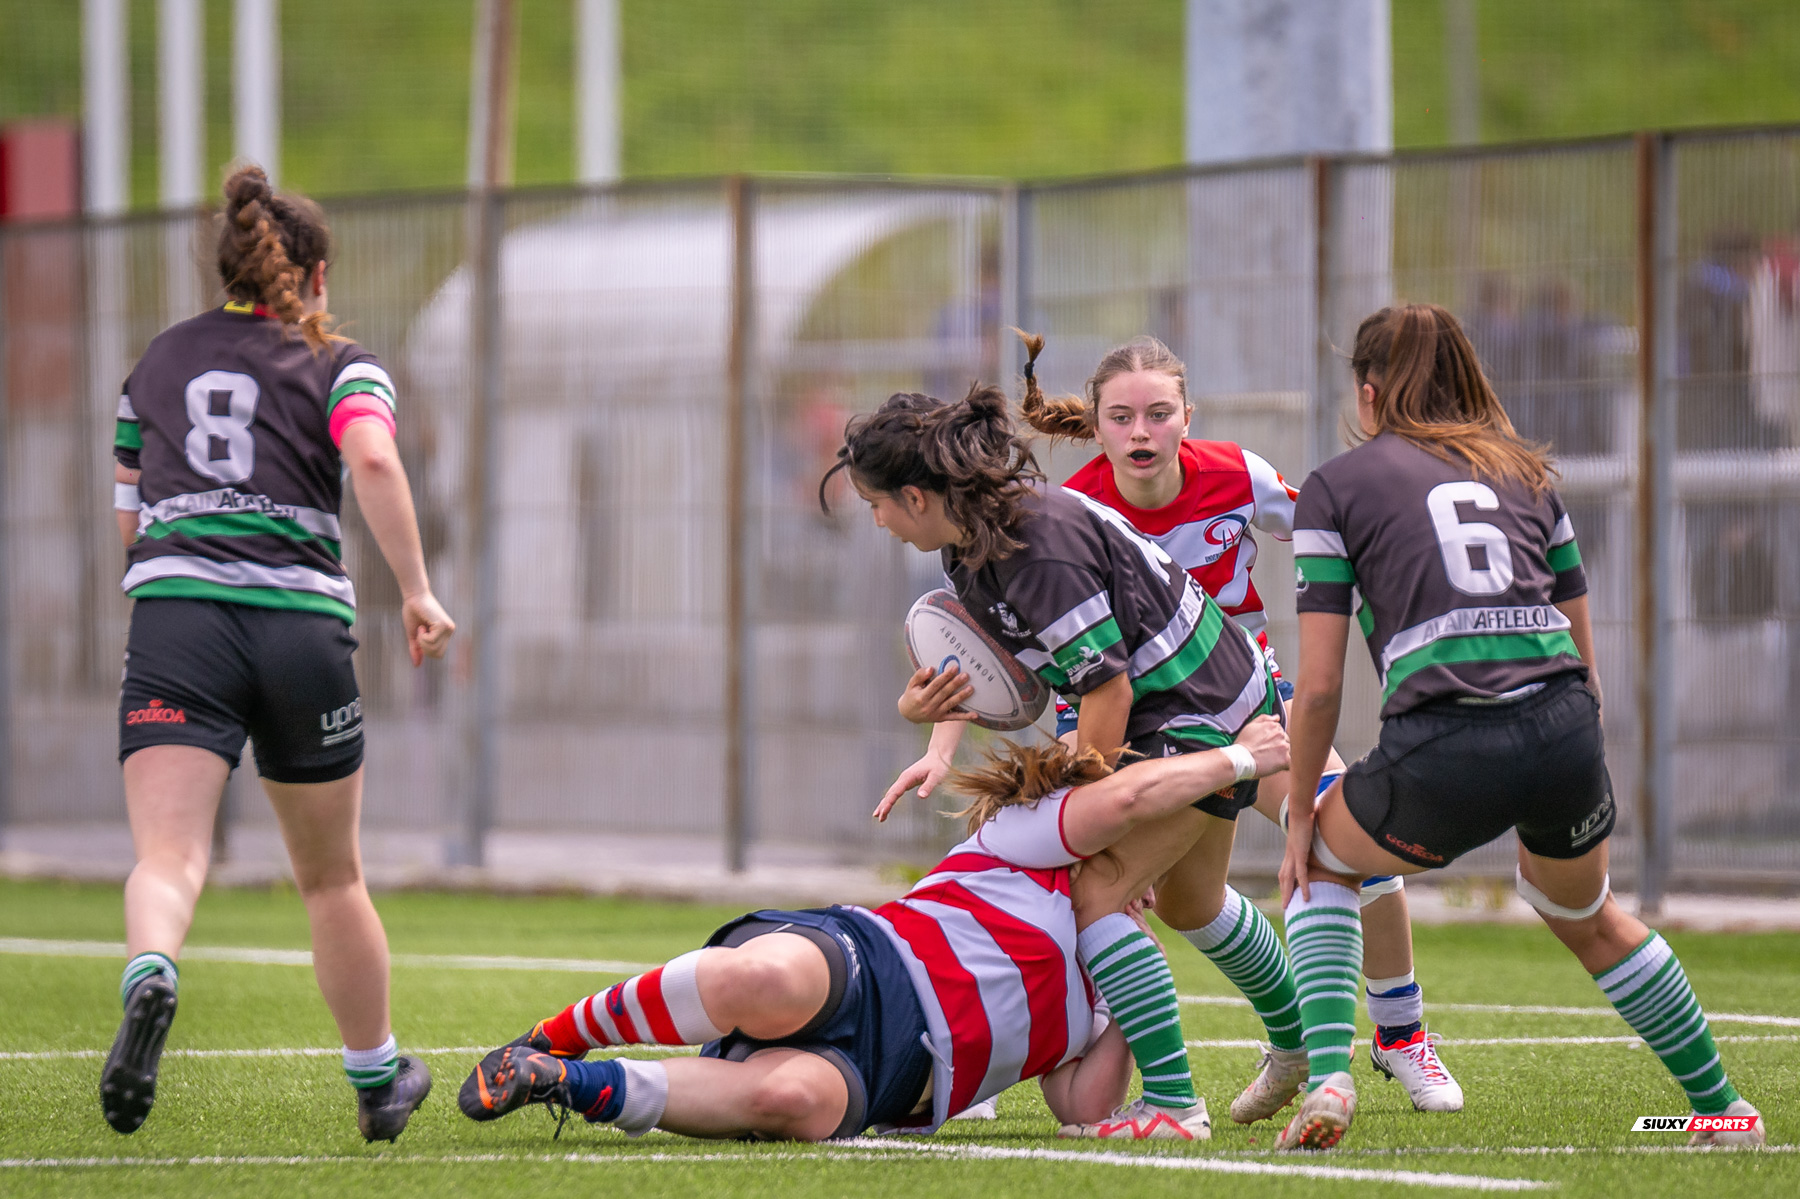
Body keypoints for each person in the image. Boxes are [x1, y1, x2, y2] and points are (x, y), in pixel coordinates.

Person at [1276, 303, 1764, 1151]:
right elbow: (1585, 651)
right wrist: (1570, 751)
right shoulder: (1528, 471)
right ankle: (1724, 1109)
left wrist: (1294, 809)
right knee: (1590, 914)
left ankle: (1329, 1080)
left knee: (1322, 858)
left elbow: (1317, 688)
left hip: (1446, 741)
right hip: (1564, 727)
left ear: (1370, 391)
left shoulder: (1336, 485)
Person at [456, 716, 1290, 1140]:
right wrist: (1245, 755)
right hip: (870, 961)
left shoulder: (1112, 964)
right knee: (766, 982)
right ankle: (552, 1036)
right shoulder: (1035, 835)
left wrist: (1129, 975)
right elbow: (1138, 797)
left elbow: (1079, 1104)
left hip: (895, 1084)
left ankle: (560, 1083)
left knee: (793, 1100)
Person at [833, 387, 1299, 1139]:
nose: (878, 520)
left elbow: (1106, 685)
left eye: (877, 504)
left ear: (915, 495)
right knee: (1191, 903)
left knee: (1092, 898)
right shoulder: (975, 542)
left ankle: (1177, 1107)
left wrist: (1090, 814)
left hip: (1192, 707)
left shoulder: (1030, 544)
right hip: (1206, 691)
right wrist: (933, 728)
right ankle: (1300, 1039)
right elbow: (1008, 678)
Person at [1018, 332, 1461, 1115]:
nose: (1142, 432)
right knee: (1188, 903)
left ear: (1190, 416)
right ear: (1096, 426)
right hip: (1144, 728)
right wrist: (1075, 752)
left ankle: (1400, 1034)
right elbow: (1077, 656)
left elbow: (1335, 532)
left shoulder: (1237, 475)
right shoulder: (1079, 512)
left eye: (1159, 413)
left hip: (1246, 700)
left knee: (1346, 829)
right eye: (1121, 417)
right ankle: (1292, 1042)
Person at [103, 164, 454, 1141]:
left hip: (179, 620)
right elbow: (374, 457)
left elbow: (130, 525)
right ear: (317, 275)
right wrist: (418, 592)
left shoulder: (156, 364)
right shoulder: (342, 359)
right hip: (301, 628)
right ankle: (379, 1076)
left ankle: (152, 969)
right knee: (333, 876)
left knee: (168, 855)